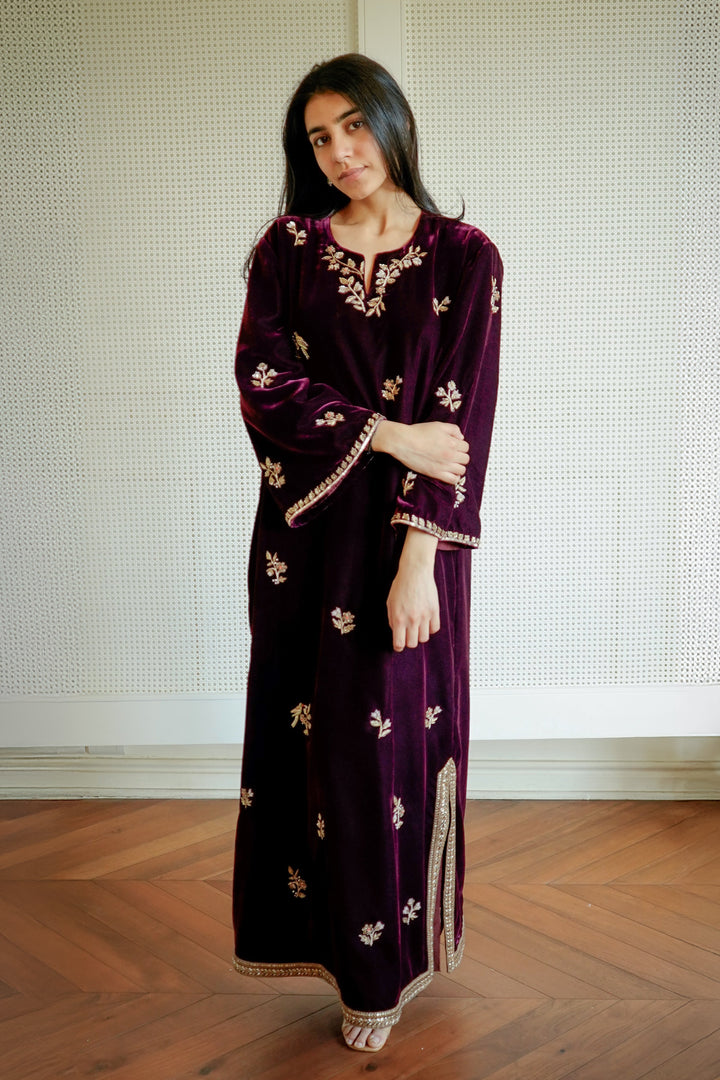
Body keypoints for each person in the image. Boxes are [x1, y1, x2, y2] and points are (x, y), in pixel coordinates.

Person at [232, 53, 502, 1054]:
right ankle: (322, 949)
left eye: (353, 126)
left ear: (392, 122)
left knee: (384, 748)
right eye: (318, 138)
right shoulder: (288, 251)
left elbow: (462, 418)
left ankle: (384, 973)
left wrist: (419, 559)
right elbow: (263, 380)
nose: (340, 152)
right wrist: (390, 435)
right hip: (303, 539)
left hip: (406, 543)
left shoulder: (466, 258)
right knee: (309, 748)